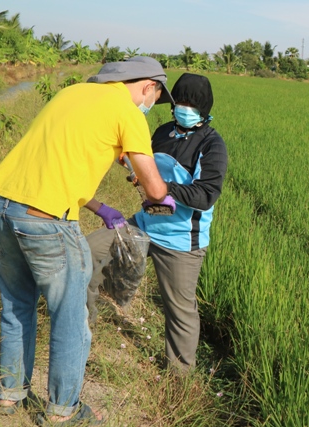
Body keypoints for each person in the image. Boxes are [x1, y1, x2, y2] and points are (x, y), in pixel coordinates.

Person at [0, 56, 175, 426]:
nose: (151, 104)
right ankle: (63, 411)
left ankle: (9, 395)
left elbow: (60, 163)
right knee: (71, 317)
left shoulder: (73, 93)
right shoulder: (128, 111)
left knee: (17, 305)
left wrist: (100, 206)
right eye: (155, 97)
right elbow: (153, 188)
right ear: (149, 85)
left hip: (4, 206)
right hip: (45, 219)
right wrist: (162, 196)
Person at [86, 73, 228, 375]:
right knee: (86, 254)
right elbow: (144, 164)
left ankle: (179, 378)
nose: (184, 109)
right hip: (143, 224)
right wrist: (132, 167)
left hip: (180, 239)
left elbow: (206, 195)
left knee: (179, 309)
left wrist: (162, 189)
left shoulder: (212, 145)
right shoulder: (163, 132)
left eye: (192, 105)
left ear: (204, 109)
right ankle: (82, 334)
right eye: (180, 102)